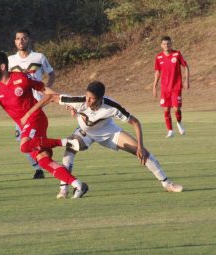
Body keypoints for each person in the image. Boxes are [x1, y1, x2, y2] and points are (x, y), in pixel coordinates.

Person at [0, 51, 88, 198]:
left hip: (35, 118)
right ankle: (77, 184)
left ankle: (66, 142)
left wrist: (64, 101)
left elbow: (45, 90)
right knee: (43, 160)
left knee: (24, 146)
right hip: (24, 125)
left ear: (2, 66)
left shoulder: (21, 78)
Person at [21, 81, 183, 199]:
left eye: (92, 99)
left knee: (144, 154)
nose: (88, 101)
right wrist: (29, 114)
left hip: (109, 133)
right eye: (87, 97)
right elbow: (49, 97)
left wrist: (140, 146)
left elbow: (135, 122)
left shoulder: (111, 106)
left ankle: (167, 183)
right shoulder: (80, 101)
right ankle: (64, 188)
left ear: (101, 99)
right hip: (85, 133)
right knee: (69, 151)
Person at [8, 28, 56, 179]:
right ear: (14, 41)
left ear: (29, 40)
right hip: (21, 105)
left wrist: (46, 88)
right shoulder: (10, 60)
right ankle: (40, 165)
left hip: (37, 103)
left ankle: (43, 163)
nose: (20, 41)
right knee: (21, 138)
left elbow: (51, 73)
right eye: (17, 38)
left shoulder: (39, 57)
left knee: (28, 138)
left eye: (23, 38)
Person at [153, 36, 190, 138]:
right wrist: (154, 86)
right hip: (165, 88)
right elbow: (157, 72)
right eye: (164, 44)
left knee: (176, 108)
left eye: (168, 44)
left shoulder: (177, 54)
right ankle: (170, 130)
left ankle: (179, 123)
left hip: (176, 86)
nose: (166, 46)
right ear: (161, 45)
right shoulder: (159, 57)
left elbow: (186, 66)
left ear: (171, 44)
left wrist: (186, 80)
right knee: (166, 110)